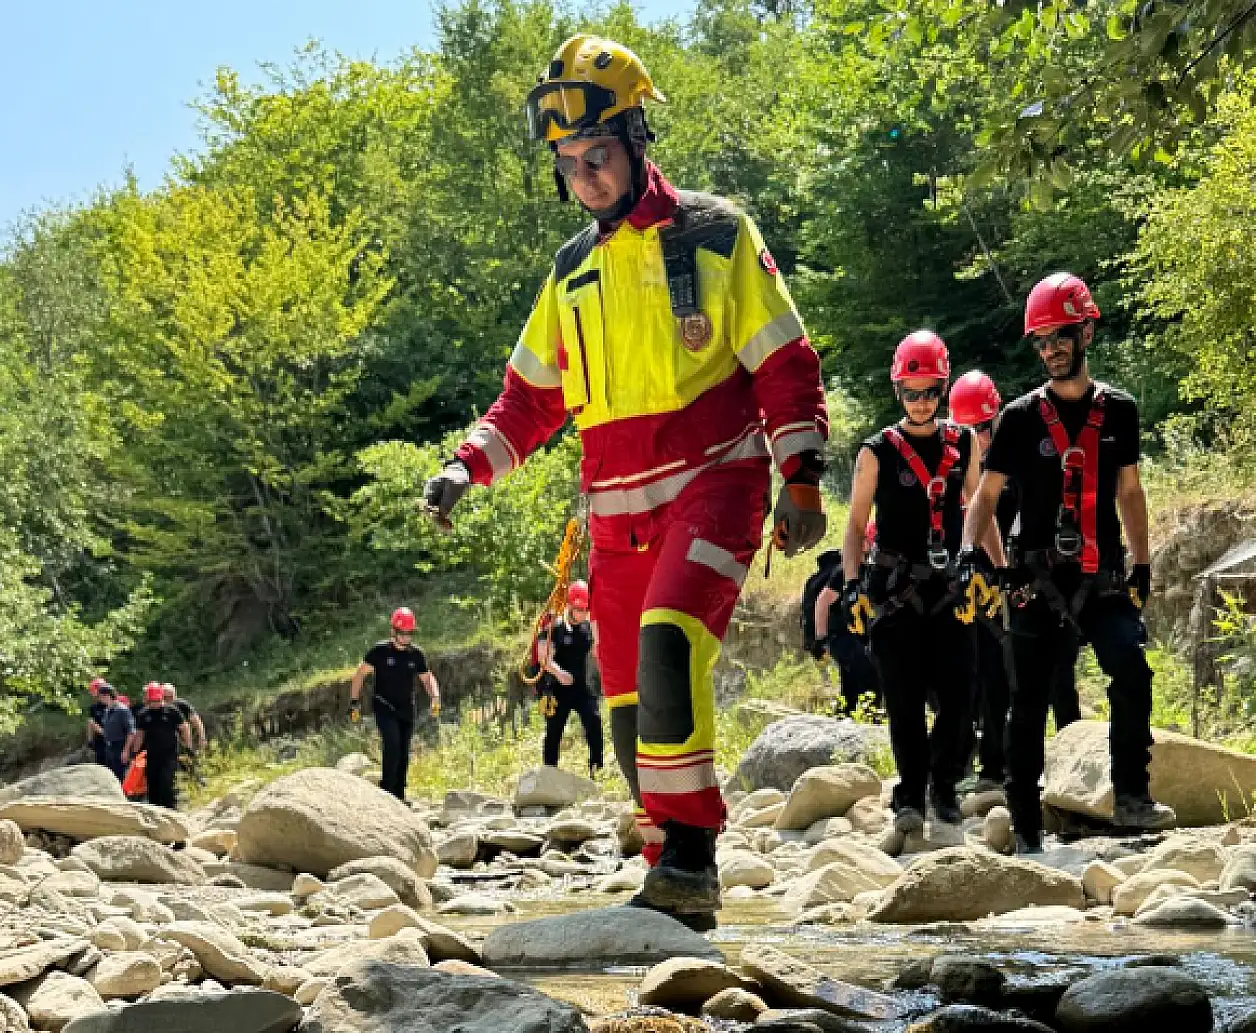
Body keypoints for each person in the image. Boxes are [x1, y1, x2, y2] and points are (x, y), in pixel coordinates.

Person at [421, 34, 828, 925]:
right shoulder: (570, 272)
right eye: (567, 164)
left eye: (595, 156)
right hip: (615, 518)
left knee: (670, 646)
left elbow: (785, 364)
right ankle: (661, 864)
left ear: (638, 138)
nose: (583, 177)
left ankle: (692, 858)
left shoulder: (718, 233)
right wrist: (464, 465)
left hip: (715, 481)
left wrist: (800, 475)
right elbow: (525, 402)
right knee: (627, 707)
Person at [961, 272, 1176, 852]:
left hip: (1102, 574)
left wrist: (1142, 562)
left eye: (1060, 335)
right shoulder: (1019, 418)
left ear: (1085, 332)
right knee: (1027, 703)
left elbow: (1130, 491)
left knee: (1131, 671)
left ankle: (1132, 797)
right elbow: (985, 495)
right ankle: (1026, 825)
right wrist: (968, 556)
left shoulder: (1121, 411)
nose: (1050, 349)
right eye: (1041, 340)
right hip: (1036, 581)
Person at [842, 331, 996, 833]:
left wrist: (1000, 567)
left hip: (950, 588)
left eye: (931, 391)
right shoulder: (876, 451)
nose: (922, 401)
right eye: (912, 392)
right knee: (904, 701)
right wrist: (850, 584)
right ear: (898, 392)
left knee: (960, 698)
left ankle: (944, 787)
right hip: (893, 590)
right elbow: (855, 522)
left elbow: (980, 507)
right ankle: (909, 795)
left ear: (943, 388)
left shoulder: (965, 442)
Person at [951, 370, 1083, 793]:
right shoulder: (953, 470)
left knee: (1057, 671)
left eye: (984, 428)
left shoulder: (1019, 453)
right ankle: (993, 767)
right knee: (988, 675)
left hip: (1031, 576)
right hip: (981, 583)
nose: (980, 439)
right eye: (968, 431)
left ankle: (1072, 763)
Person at [349, 607, 441, 803]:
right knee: (392, 744)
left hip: (406, 708)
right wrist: (354, 702)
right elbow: (359, 675)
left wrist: (435, 696)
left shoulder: (416, 655)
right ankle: (386, 792)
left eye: (410, 634)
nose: (406, 638)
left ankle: (399, 795)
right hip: (384, 706)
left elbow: (427, 678)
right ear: (393, 632)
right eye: (402, 633)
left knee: (404, 751)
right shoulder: (379, 652)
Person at [804, 524, 879, 715]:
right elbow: (823, 602)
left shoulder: (873, 570)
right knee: (870, 677)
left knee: (851, 687)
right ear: (862, 544)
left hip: (858, 638)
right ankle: (868, 720)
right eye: (872, 542)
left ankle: (844, 719)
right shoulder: (844, 571)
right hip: (841, 637)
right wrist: (821, 640)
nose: (875, 546)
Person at [537, 580, 604, 778]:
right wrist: (559, 673)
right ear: (570, 607)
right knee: (554, 730)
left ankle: (596, 769)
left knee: (594, 720)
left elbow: (597, 648)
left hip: (580, 687)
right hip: (557, 687)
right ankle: (549, 772)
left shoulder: (587, 627)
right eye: (579, 610)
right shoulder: (554, 627)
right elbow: (544, 657)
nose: (583, 614)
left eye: (586, 610)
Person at [124, 683, 191, 809]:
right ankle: (155, 810)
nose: (155, 703)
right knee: (153, 785)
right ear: (148, 700)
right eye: (153, 701)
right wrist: (135, 752)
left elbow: (184, 728)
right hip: (152, 756)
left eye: (158, 700)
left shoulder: (172, 711)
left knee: (167, 784)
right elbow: (140, 735)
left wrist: (187, 746)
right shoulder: (143, 715)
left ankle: (171, 810)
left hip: (169, 755)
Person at [98, 684, 134, 780]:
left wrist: (126, 750)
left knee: (120, 776)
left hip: (120, 746)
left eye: (101, 696)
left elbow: (130, 732)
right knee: (111, 775)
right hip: (109, 747)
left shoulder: (122, 710)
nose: (100, 699)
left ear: (108, 695)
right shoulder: (107, 710)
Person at [162, 684, 208, 753]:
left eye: (171, 697)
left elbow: (196, 721)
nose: (169, 700)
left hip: (183, 738)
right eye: (166, 697)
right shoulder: (156, 708)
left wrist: (202, 738)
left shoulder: (182, 705)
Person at [86, 678, 111, 766]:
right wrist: (90, 740)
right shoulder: (94, 707)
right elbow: (91, 723)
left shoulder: (113, 705)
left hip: (113, 742)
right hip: (100, 742)